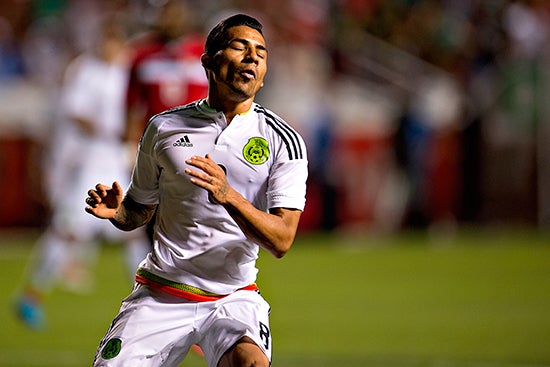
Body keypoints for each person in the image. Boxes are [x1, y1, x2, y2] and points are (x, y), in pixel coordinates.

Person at [85, 13, 308, 367]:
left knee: (251, 364)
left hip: (232, 298)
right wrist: (119, 213)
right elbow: (139, 210)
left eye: (261, 53)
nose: (252, 57)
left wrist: (228, 194)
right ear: (208, 61)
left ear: (263, 75)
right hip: (161, 292)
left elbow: (282, 240)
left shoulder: (283, 140)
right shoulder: (163, 128)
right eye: (240, 47)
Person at [14, 15, 150, 330]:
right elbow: (75, 112)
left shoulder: (129, 72)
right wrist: (108, 129)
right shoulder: (87, 71)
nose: (111, 48)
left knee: (132, 232)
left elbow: (139, 112)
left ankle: (150, 302)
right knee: (68, 229)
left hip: (118, 158)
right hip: (93, 157)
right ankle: (30, 296)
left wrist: (132, 139)